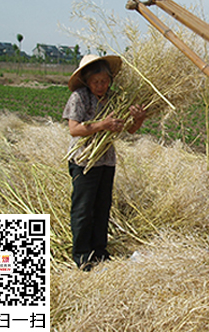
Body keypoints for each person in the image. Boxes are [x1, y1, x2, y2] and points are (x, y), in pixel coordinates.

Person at [63, 54, 146, 271]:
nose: (101, 86)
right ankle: (82, 256)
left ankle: (100, 252)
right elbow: (74, 129)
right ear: (87, 81)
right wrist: (103, 124)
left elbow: (130, 129)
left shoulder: (114, 98)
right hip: (84, 160)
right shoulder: (79, 98)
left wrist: (138, 118)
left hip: (106, 161)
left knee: (102, 207)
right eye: (96, 82)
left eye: (104, 81)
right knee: (83, 208)